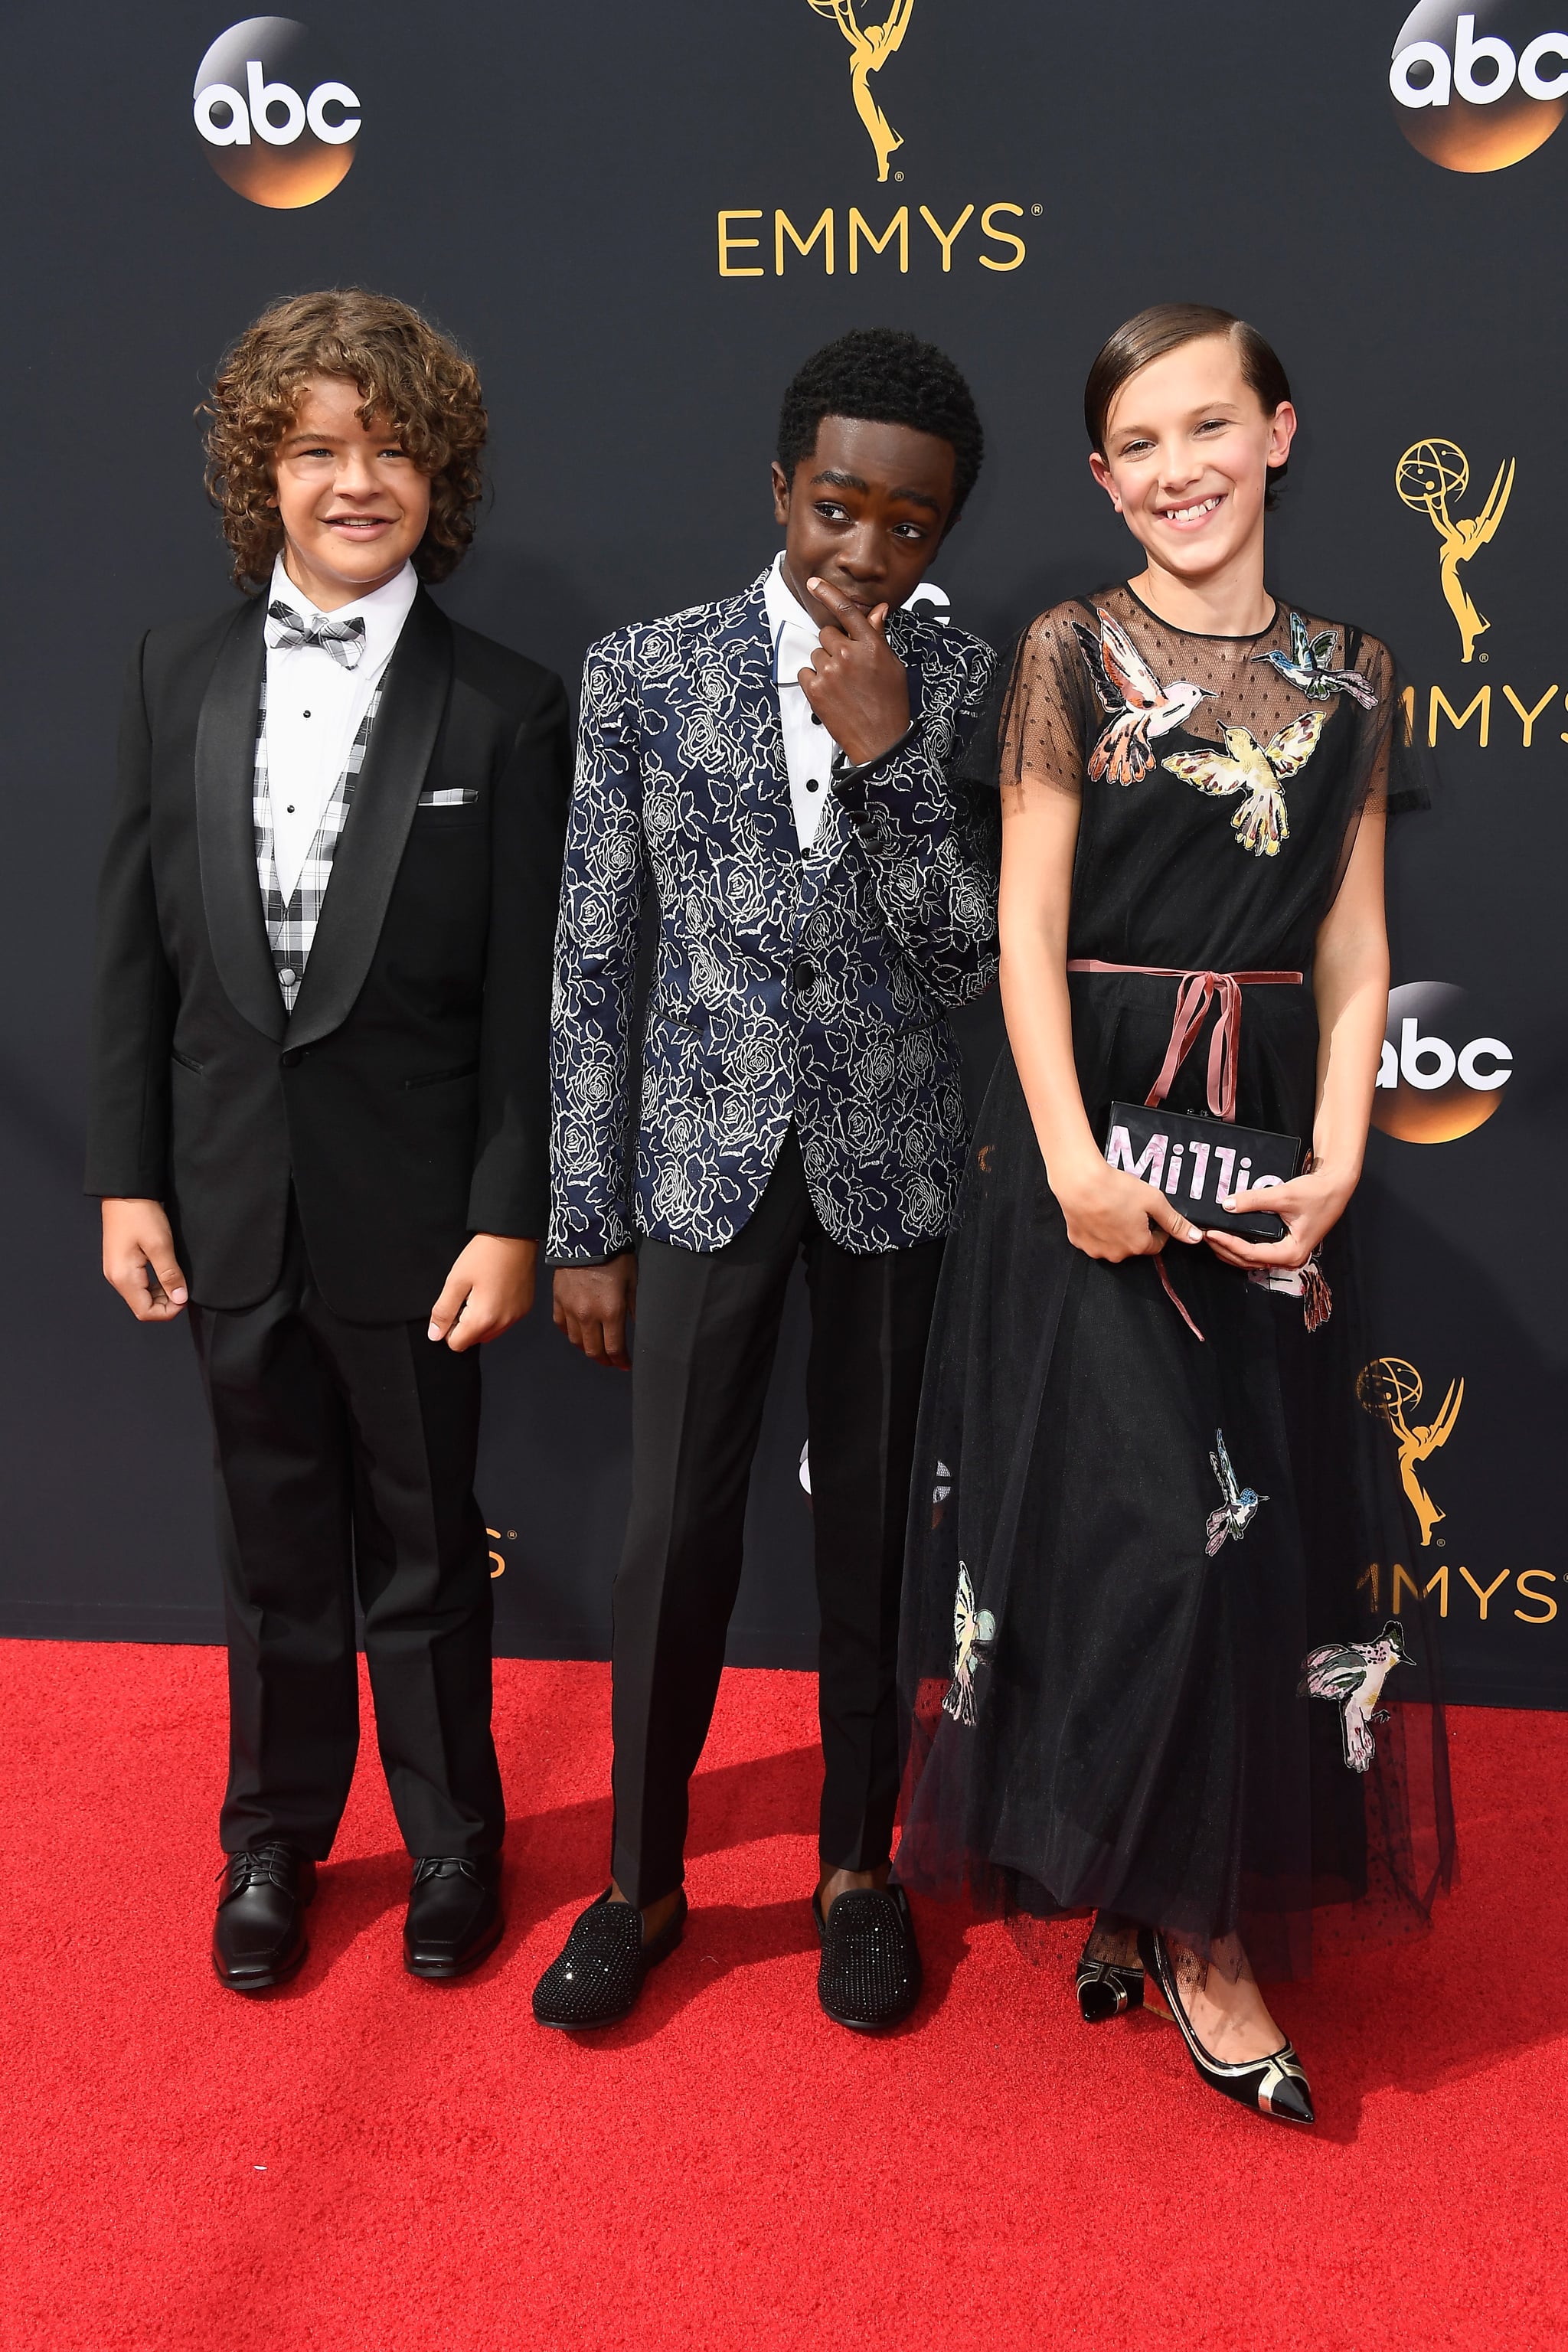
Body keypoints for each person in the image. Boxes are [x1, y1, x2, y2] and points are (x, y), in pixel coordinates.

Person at [894, 304, 1455, 2125]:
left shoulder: (1360, 673)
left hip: (1267, 1142)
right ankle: (1197, 1940)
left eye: (1206, 428)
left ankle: (1160, 1886)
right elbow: (1024, 933)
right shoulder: (1066, 652)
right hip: (1092, 1135)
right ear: (1099, 478)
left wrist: (1348, 1153)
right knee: (1137, 1531)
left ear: (1279, 433)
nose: (1175, 471)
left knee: (1255, 1538)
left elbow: (1358, 949)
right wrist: (1066, 1157)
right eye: (1137, 447)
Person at [87, 289, 571, 1991]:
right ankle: (274, 1844)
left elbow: (530, 1002)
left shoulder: (510, 708)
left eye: (390, 449)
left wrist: (511, 1211)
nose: (355, 482)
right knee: (271, 1543)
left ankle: (454, 1844)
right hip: (226, 1204)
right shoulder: (178, 672)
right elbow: (133, 950)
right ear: (259, 475)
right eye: (315, 450)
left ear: (439, 474)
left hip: (420, 1217)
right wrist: (129, 1176)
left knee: (429, 1544)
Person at [536, 328, 997, 2034]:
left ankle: (855, 1874)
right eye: (836, 505)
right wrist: (586, 1220)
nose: (865, 551)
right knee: (673, 1540)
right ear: (780, 486)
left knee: (876, 1535)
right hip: (700, 1172)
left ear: (944, 533)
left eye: (911, 525)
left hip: (890, 1177)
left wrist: (884, 765)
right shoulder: (644, 673)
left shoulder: (972, 684)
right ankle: (639, 1885)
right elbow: (592, 963)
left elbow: (964, 970)